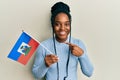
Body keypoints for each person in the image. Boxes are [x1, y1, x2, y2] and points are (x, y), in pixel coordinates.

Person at [32, 2, 94, 80]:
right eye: (57, 24)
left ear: (70, 25)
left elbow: (89, 73)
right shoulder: (44, 46)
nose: (62, 28)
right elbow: (36, 75)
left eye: (66, 24)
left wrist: (82, 55)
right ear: (52, 25)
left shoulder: (78, 43)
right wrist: (45, 65)